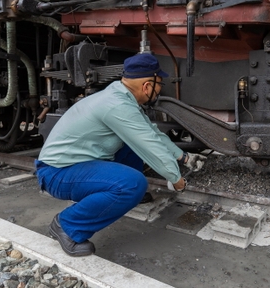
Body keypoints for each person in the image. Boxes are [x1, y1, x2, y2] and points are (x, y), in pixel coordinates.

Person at [36, 53, 206, 256]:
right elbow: (149, 144)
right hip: (57, 174)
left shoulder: (119, 97)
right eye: (159, 83)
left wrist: (183, 157)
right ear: (147, 86)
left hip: (73, 165)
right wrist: (175, 178)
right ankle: (68, 225)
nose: (160, 89)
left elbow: (151, 134)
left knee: (129, 142)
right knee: (133, 184)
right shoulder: (117, 105)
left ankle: (124, 195)